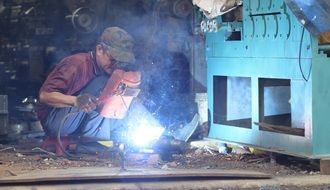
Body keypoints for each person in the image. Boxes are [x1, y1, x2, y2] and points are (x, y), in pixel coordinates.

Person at [37, 27, 137, 140]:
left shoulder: (109, 70)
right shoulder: (76, 64)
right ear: (100, 50)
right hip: (56, 122)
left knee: (122, 93)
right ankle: (96, 141)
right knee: (103, 83)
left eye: (120, 62)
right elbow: (44, 96)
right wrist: (76, 101)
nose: (116, 65)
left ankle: (99, 140)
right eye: (113, 60)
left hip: (78, 120)